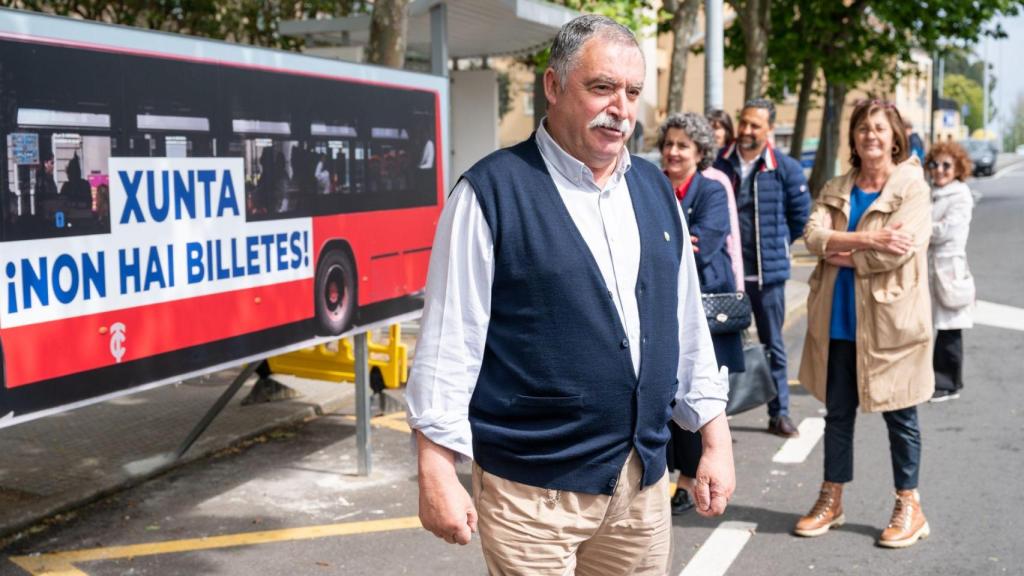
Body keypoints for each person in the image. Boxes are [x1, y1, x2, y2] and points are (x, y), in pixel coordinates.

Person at [406, 15, 734, 574]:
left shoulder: (656, 190)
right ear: (553, 86)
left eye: (632, 92)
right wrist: (436, 470)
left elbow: (684, 326)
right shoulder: (490, 193)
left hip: (641, 488)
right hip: (531, 493)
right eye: (601, 87)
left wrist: (715, 439)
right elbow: (448, 344)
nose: (622, 108)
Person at [796, 99, 933, 548]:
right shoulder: (838, 185)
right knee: (837, 416)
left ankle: (909, 505)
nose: (869, 135)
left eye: (878, 128)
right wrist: (868, 237)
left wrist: (842, 252)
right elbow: (812, 237)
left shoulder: (911, 186)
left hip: (890, 324)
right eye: (862, 128)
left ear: (895, 136)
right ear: (852, 137)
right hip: (837, 320)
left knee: (901, 417)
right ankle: (831, 499)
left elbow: (901, 249)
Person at [658, 112, 745, 516]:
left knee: (697, 391)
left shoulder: (711, 190)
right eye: (669, 144)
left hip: (706, 306)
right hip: (662, 307)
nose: (673, 152)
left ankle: (691, 480)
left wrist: (664, 243)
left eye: (683, 145)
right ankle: (674, 474)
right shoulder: (653, 186)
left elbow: (703, 245)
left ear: (700, 152)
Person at [713, 98, 810, 438]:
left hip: (767, 276)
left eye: (756, 125)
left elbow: (799, 218)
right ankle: (718, 417)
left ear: (769, 129)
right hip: (727, 276)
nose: (747, 131)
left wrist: (777, 247)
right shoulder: (719, 163)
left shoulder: (785, 168)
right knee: (725, 347)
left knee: (773, 346)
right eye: (744, 123)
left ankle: (779, 413)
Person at [924, 142, 975, 402]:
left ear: (958, 168)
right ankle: (934, 379)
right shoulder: (930, 191)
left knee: (949, 327)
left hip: (949, 268)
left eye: (946, 165)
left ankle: (948, 382)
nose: (940, 170)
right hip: (929, 267)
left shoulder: (960, 195)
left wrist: (920, 228)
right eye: (935, 164)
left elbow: (947, 231)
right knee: (930, 325)